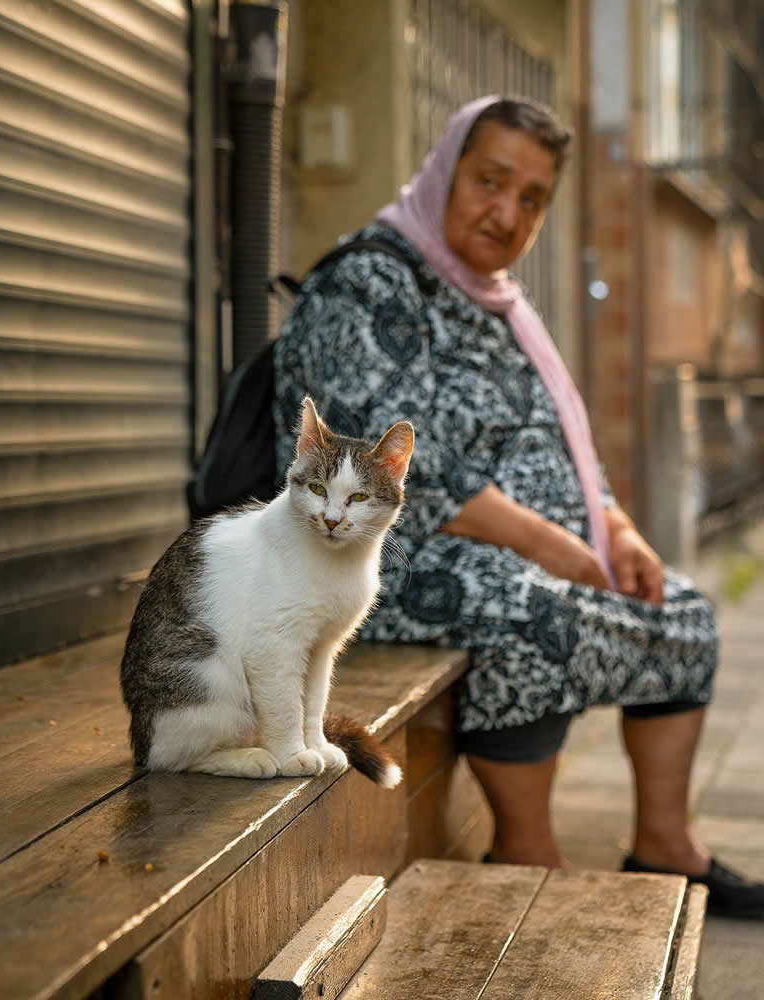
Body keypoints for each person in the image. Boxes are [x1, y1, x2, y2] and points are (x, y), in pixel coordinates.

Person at [272, 95, 764, 918]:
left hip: (515, 548)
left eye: (532, 197)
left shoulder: (499, 304)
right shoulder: (369, 283)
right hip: (381, 558)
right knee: (530, 610)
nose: (507, 212)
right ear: (446, 173)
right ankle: (528, 853)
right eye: (490, 181)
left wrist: (617, 530)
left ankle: (664, 847)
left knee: (680, 609)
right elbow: (395, 475)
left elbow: (561, 440)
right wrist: (553, 548)